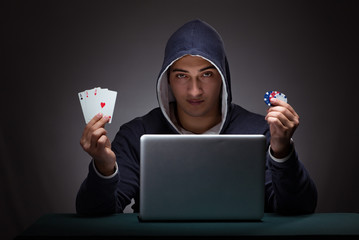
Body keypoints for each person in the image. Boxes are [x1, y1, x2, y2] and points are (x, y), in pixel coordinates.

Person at [76, 19, 317, 215]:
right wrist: (104, 168)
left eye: (207, 74)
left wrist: (283, 151)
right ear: (167, 80)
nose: (194, 91)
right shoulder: (136, 134)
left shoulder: (261, 131)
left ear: (223, 78)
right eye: (182, 76)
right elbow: (96, 213)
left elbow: (297, 208)